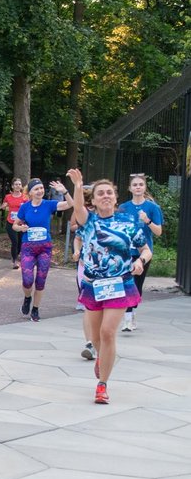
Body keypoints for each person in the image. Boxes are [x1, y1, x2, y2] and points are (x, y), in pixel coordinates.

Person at [67, 168, 150, 404]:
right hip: (94, 285)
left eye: (109, 193)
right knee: (95, 338)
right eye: (100, 193)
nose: (105, 196)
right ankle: (101, 357)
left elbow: (146, 249)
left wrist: (140, 261)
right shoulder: (88, 221)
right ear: (93, 200)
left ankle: (102, 385)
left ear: (115, 198)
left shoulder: (129, 222)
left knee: (107, 332)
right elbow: (78, 209)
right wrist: (79, 184)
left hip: (120, 284)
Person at [13, 178, 73, 322]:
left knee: (40, 281)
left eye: (41, 188)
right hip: (28, 247)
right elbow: (15, 224)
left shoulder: (49, 205)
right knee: (27, 280)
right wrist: (21, 228)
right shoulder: (25, 207)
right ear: (31, 192)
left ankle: (35, 308)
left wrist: (64, 191)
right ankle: (27, 297)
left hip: (45, 248)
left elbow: (70, 204)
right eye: (36, 189)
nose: (40, 191)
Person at [118, 173, 163, 332]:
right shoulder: (123, 207)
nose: (138, 187)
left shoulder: (152, 208)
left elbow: (158, 232)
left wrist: (147, 221)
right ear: (130, 188)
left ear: (144, 188)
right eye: (135, 185)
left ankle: (132, 312)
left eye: (140, 185)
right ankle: (128, 319)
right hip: (126, 251)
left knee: (137, 285)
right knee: (126, 283)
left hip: (144, 252)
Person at [71, 186, 96, 360]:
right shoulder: (86, 221)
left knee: (105, 312)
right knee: (89, 306)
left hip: (110, 274)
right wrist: (77, 251)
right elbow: (77, 237)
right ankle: (90, 343)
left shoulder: (118, 220)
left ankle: (101, 342)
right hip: (86, 268)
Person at [0, 178, 27, 269]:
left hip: (21, 223)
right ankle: (15, 261)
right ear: (12, 186)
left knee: (20, 243)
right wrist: (4, 206)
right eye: (16, 184)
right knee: (15, 241)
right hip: (10, 223)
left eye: (19, 184)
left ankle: (15, 255)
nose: (18, 186)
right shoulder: (8, 197)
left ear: (21, 186)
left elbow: (28, 208)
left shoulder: (24, 197)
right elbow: (3, 206)